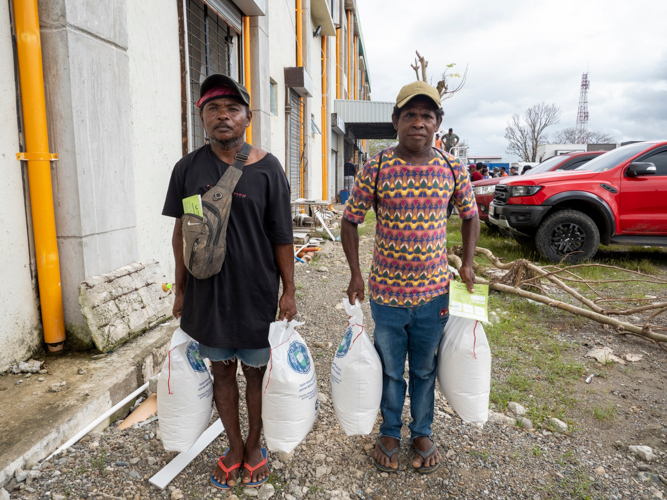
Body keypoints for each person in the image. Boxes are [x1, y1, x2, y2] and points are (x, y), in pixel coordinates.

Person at [162, 74, 296, 491]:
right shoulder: (188, 169)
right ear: (201, 118)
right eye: (213, 109)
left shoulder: (269, 169)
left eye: (232, 108)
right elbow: (184, 230)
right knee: (221, 372)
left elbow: (282, 235)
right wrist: (181, 290)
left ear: (248, 117)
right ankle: (234, 446)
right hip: (208, 293)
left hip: (257, 292)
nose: (223, 116)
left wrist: (289, 290)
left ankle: (256, 444)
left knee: (255, 374)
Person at [341, 81, 479, 476]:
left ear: (438, 123)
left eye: (427, 116)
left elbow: (471, 216)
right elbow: (349, 221)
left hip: (434, 293)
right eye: (410, 115)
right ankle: (389, 431)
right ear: (395, 121)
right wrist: (355, 273)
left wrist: (467, 264)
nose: (419, 123)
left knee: (423, 368)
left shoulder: (452, 166)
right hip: (386, 293)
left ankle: (421, 430)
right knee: (389, 367)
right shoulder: (378, 165)